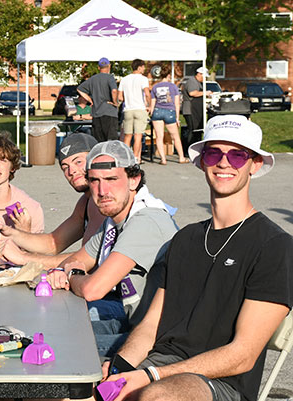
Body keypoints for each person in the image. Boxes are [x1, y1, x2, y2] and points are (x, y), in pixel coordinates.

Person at [103, 115, 292, 401]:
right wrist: (118, 370)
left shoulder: (275, 245)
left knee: (158, 398)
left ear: (254, 164)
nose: (224, 163)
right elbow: (151, 325)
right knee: (63, 389)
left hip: (221, 383)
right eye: (214, 153)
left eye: (238, 156)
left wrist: (150, 376)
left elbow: (243, 355)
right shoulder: (185, 239)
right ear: (203, 161)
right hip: (158, 367)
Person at [47, 140, 178, 358]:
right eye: (94, 181)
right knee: (51, 329)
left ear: (134, 180)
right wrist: (67, 271)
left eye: (111, 179)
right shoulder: (114, 220)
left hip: (158, 338)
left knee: (61, 348)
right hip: (132, 321)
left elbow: (91, 289)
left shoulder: (147, 220)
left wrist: (72, 274)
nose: (102, 190)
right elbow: (72, 262)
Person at [0, 133, 104, 269]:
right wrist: (12, 234)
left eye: (78, 162)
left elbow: (89, 257)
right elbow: (53, 243)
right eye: (65, 167)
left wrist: (24, 258)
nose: (71, 171)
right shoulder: (85, 203)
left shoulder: (108, 201)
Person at [150, 66, 188, 165]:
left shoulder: (155, 87)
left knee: (159, 136)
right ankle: (181, 158)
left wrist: (151, 112)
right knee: (175, 136)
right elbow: (177, 103)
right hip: (169, 111)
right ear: (168, 75)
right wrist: (177, 118)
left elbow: (153, 102)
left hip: (157, 111)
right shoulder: (173, 86)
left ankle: (163, 159)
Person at [77, 57, 119, 143]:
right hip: (109, 112)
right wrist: (115, 102)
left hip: (96, 114)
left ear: (99, 67)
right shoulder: (110, 78)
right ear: (109, 66)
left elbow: (79, 89)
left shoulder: (92, 79)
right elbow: (114, 91)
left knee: (99, 142)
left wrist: (90, 100)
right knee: (111, 142)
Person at [118, 59, 151, 163]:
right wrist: (149, 105)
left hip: (128, 109)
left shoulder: (124, 79)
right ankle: (136, 157)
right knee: (138, 135)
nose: (144, 69)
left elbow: (120, 96)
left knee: (127, 135)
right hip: (140, 108)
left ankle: (126, 157)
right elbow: (147, 93)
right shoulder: (143, 79)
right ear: (140, 67)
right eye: (143, 67)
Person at [182, 66, 212, 155]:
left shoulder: (197, 82)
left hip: (196, 109)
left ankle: (195, 148)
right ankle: (188, 150)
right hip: (190, 109)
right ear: (199, 74)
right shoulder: (192, 81)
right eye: (204, 76)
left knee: (197, 130)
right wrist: (205, 93)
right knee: (192, 130)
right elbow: (192, 93)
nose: (205, 78)